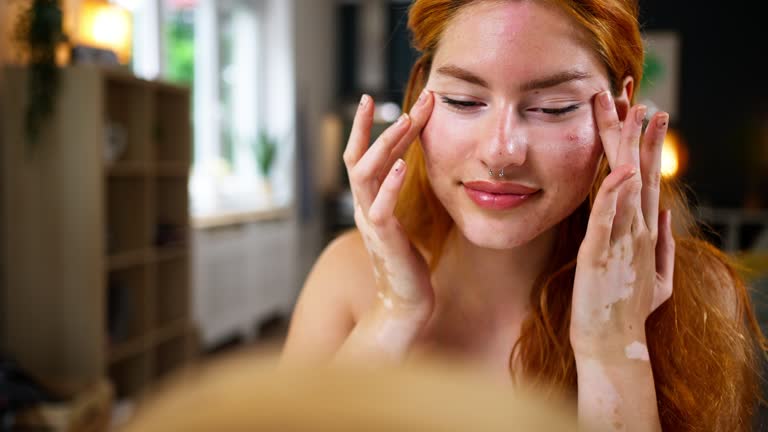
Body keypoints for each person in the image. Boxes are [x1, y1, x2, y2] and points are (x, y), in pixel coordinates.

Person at [281, 0, 766, 430]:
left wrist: (612, 347)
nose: (501, 152)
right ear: (420, 96)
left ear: (617, 114)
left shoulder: (701, 299)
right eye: (463, 101)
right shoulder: (345, 280)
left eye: (553, 108)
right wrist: (394, 313)